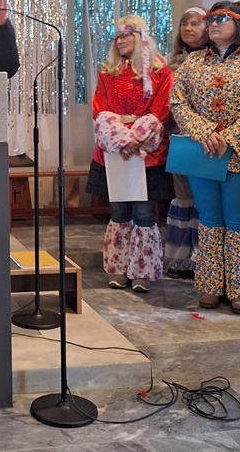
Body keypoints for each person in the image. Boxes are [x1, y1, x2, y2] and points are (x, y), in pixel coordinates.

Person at [170, 1, 240, 314]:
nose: (213, 24)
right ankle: (210, 286)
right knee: (209, 220)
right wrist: (204, 131)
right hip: (203, 152)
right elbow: (178, 102)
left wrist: (230, 137)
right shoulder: (193, 63)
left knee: (239, 221)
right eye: (210, 20)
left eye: (222, 19)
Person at [85, 15, 174, 293]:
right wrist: (122, 141)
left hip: (147, 152)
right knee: (119, 212)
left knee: (145, 212)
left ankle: (142, 271)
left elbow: (162, 109)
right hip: (115, 153)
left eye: (126, 35)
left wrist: (137, 139)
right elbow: (100, 108)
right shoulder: (108, 72)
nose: (120, 41)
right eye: (117, 37)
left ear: (140, 37)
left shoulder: (160, 72)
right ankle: (119, 267)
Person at [164, 7, 209, 278]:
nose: (188, 28)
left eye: (195, 23)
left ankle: (203, 260)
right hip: (180, 138)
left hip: (207, 138)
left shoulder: (215, 60)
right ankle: (181, 259)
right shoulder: (171, 62)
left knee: (205, 200)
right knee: (183, 197)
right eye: (184, 23)